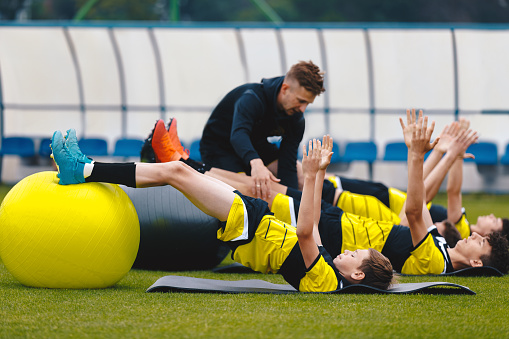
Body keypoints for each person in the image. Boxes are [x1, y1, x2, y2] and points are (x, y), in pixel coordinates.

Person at [155, 110, 509, 275]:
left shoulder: (436, 260)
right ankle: (185, 162)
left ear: (478, 261)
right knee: (259, 185)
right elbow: (417, 208)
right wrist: (445, 154)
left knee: (258, 189)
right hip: (339, 219)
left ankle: (184, 165)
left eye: (482, 240)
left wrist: (428, 156)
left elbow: (417, 208)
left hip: (334, 228)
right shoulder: (440, 253)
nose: (475, 232)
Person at [50, 130, 394, 292]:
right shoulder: (329, 272)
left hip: (248, 227)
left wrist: (316, 173)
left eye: (354, 254)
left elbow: (305, 232)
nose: (347, 250)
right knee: (187, 173)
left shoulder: (326, 282)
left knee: (177, 173)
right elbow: (314, 225)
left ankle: (84, 169)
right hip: (255, 218)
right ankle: (89, 167)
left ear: (358, 275)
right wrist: (315, 173)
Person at [198, 60, 325, 200]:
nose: (303, 109)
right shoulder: (252, 98)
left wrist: (294, 202)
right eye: (300, 101)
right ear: (284, 89)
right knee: (249, 188)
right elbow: (239, 135)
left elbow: (287, 164)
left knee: (301, 176)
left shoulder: (296, 118)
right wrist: (256, 163)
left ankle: (323, 203)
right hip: (219, 147)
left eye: (307, 103)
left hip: (255, 144)